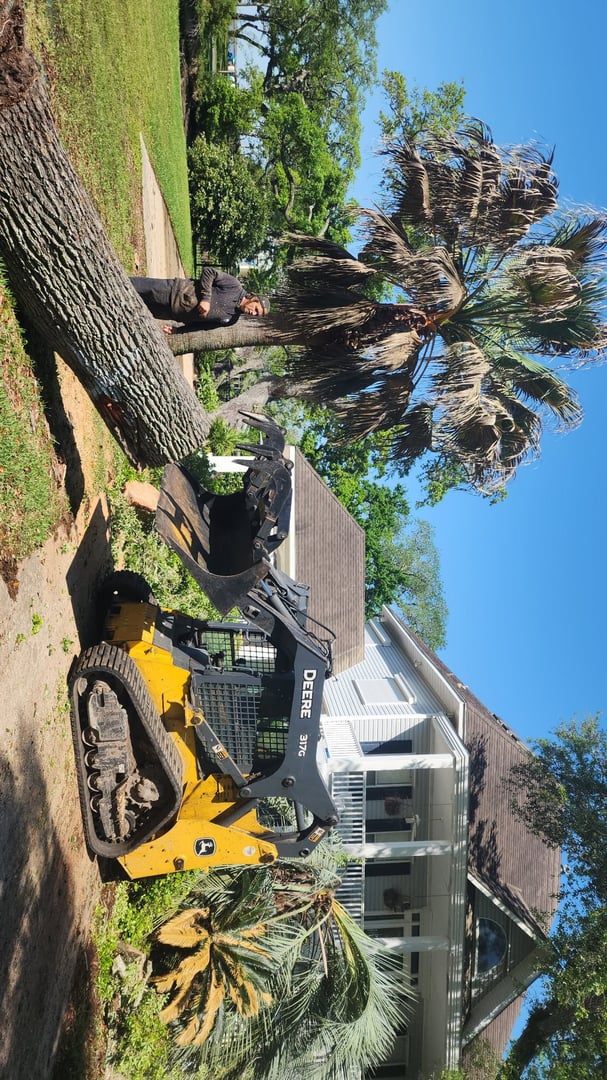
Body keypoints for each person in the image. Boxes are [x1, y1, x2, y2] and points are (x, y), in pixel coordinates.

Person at [130, 268, 270, 334]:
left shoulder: (232, 319)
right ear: (254, 299)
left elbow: (203, 326)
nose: (254, 313)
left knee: (135, 307)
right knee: (134, 287)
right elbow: (209, 272)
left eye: (257, 315)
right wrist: (206, 299)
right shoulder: (234, 286)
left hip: (172, 313)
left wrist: (178, 330)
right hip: (174, 291)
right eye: (256, 309)